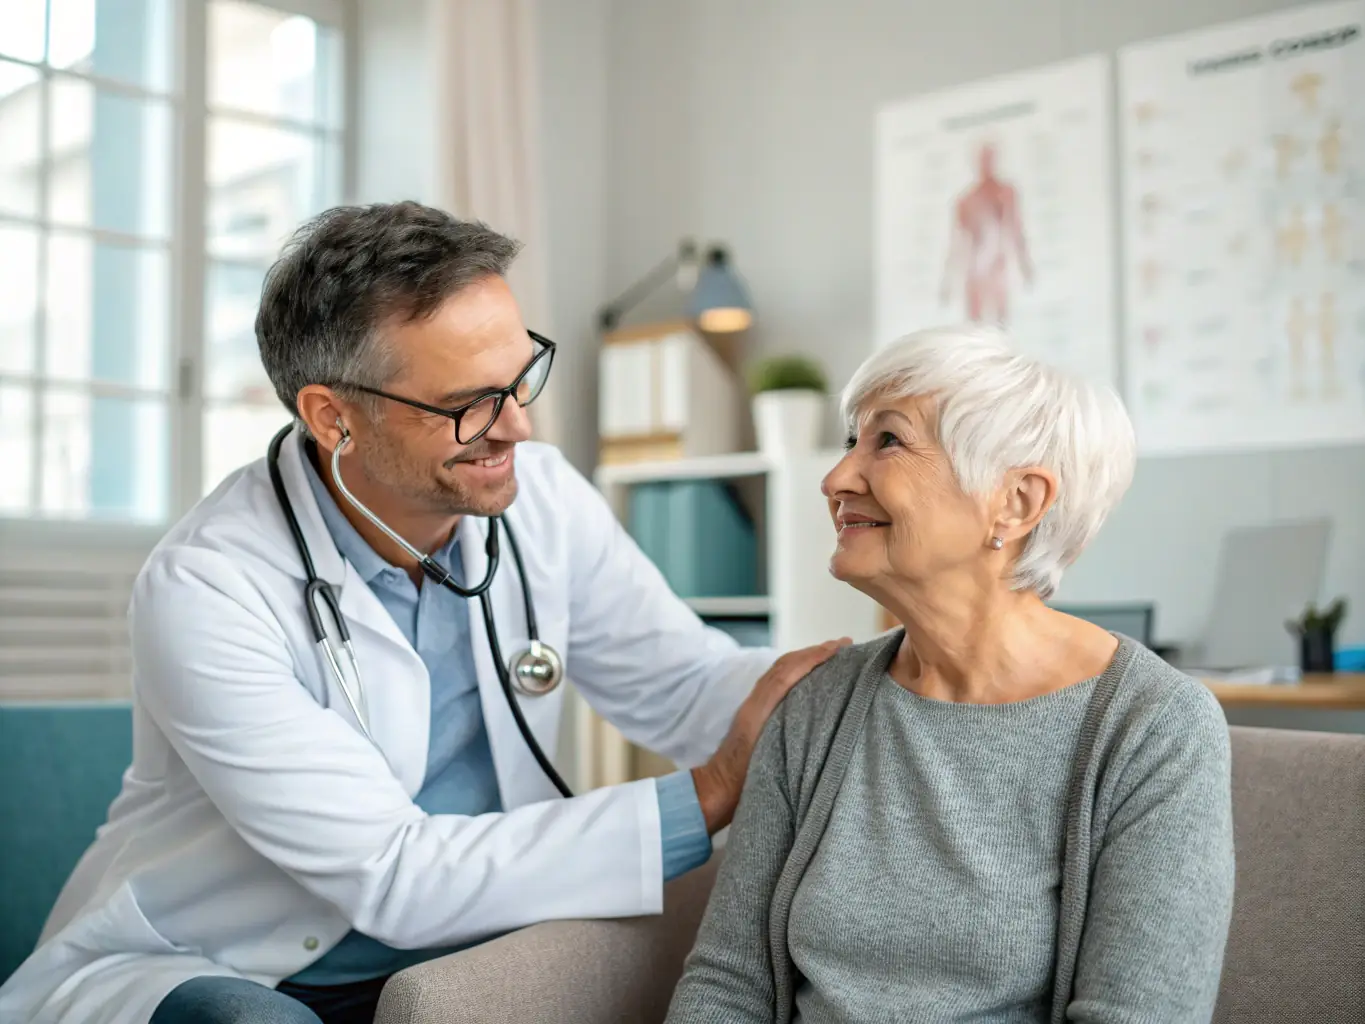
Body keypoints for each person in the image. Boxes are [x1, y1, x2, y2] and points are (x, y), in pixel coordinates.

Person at [0, 202, 846, 1024]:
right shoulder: (207, 588)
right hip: (231, 959)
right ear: (334, 416)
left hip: (456, 948)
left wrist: (853, 689)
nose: (516, 425)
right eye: (467, 404)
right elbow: (393, 875)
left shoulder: (541, 498)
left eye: (521, 377)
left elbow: (687, 685)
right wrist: (705, 795)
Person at [666, 325, 1236, 1024]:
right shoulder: (814, 705)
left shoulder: (1152, 726)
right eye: (852, 441)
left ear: (1017, 502)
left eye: (888, 441)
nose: (836, 478)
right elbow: (727, 983)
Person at [939, 142, 1033, 326]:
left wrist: (1025, 265)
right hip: (974, 272)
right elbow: (957, 244)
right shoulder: (966, 200)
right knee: (975, 330)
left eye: (989, 158)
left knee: (1000, 326)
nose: (986, 163)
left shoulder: (1005, 192)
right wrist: (947, 281)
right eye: (983, 159)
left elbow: (1015, 228)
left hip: (997, 268)